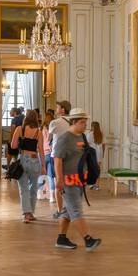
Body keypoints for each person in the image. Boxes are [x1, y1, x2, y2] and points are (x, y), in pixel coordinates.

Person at [53, 107, 102, 252]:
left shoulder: (82, 136)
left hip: (79, 181)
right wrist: (59, 180)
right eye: (82, 122)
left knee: (67, 211)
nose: (85, 125)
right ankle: (88, 240)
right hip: (68, 182)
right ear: (73, 122)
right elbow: (57, 160)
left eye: (85, 122)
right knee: (76, 211)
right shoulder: (64, 139)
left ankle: (61, 238)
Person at [9, 112, 45, 222]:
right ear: (36, 119)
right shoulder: (39, 132)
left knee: (23, 188)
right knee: (34, 188)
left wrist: (21, 142)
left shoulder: (20, 129)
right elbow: (41, 150)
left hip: (23, 159)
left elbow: (13, 146)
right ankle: (31, 213)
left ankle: (26, 215)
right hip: (34, 160)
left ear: (26, 118)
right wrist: (43, 166)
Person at [46, 100, 72, 213]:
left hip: (57, 156)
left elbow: (49, 138)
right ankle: (70, 209)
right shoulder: (74, 122)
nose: (56, 109)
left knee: (58, 183)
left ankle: (60, 210)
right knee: (70, 184)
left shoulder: (55, 123)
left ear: (63, 109)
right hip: (71, 156)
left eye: (58, 107)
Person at [88, 122, 106, 190]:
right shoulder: (101, 134)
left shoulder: (89, 134)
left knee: (92, 169)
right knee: (98, 169)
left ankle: (93, 184)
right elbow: (104, 145)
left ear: (92, 126)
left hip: (92, 153)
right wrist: (103, 154)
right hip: (99, 153)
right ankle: (97, 185)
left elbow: (87, 144)